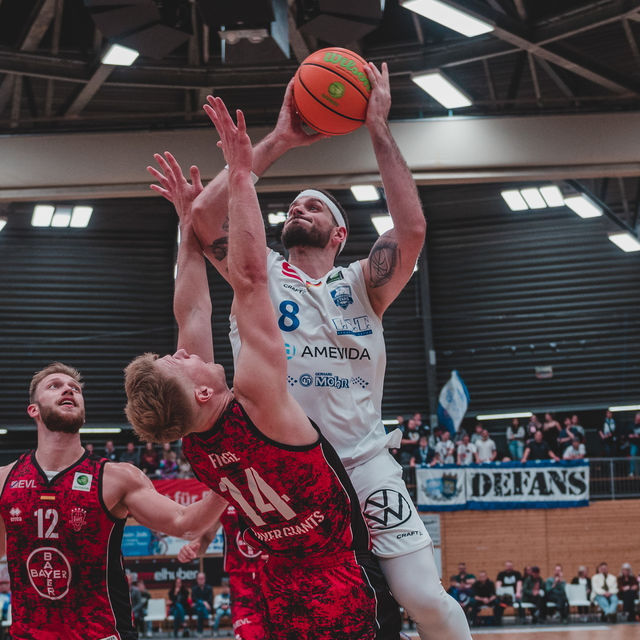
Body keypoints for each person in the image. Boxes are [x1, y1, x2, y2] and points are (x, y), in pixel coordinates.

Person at [167, 62, 470, 639]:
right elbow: (199, 221)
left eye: (315, 207)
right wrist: (278, 139)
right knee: (294, 618)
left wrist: (378, 127)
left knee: (422, 597)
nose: (298, 209)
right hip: (287, 471)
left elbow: (411, 230)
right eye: (294, 207)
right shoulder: (254, 273)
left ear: (338, 235)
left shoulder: (363, 284)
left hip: (362, 459)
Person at [125, 114, 401, 639]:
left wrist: (190, 229)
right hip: (339, 578)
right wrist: (242, 171)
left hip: (280, 582)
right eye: (178, 362)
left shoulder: (198, 449)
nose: (182, 354)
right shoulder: (260, 406)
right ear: (203, 390)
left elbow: (193, 316)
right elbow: (252, 282)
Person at [0, 362, 227, 639]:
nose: (68, 390)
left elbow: (185, 523)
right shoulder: (5, 479)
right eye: (55, 386)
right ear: (33, 410)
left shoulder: (117, 477)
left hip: (101, 634)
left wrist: (229, 481)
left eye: (75, 388)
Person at [219, 504, 269, 639]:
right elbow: (206, 532)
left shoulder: (269, 492)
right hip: (241, 581)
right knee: (247, 634)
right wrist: (196, 543)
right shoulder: (222, 498)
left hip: (268, 576)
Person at [191, 572, 214, 638]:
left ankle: (200, 632)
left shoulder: (209, 588)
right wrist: (204, 602)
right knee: (200, 609)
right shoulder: (194, 588)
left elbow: (210, 599)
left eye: (202, 578)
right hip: (198, 608)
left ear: (205, 579)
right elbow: (193, 599)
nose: (201, 580)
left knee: (200, 610)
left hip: (207, 608)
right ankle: (207, 619)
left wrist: (203, 603)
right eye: (199, 579)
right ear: (197, 580)